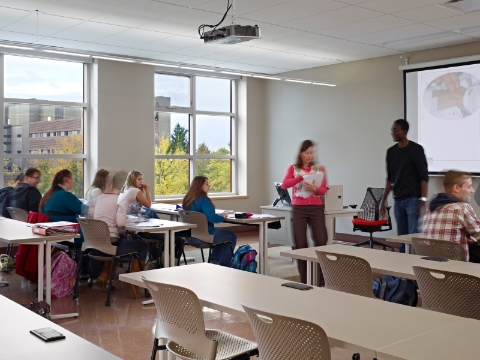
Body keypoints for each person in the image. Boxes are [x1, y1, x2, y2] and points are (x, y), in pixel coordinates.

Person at [94, 171, 147, 298]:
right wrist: (131, 219)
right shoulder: (120, 200)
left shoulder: (100, 197)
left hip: (95, 243)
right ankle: (133, 282)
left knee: (121, 238)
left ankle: (104, 275)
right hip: (110, 243)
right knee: (143, 245)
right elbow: (121, 223)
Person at [281, 140, 328, 285]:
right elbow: (284, 185)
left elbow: (324, 189)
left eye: (312, 152)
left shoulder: (319, 168)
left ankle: (320, 279)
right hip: (299, 209)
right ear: (301, 153)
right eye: (307, 153)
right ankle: (305, 280)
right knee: (301, 244)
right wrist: (300, 177)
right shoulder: (293, 168)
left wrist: (315, 189)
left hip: (316, 208)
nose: (310, 155)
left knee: (321, 240)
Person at [381, 119, 429, 253]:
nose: (392, 133)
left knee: (413, 238)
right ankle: (402, 270)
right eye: (392, 130)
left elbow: (423, 176)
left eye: (395, 130)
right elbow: (390, 178)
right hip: (398, 200)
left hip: (413, 200)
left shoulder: (416, 149)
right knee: (401, 239)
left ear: (404, 131)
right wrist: (384, 200)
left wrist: (422, 200)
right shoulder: (391, 152)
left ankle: (417, 269)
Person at [421, 170, 480, 263]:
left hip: (431, 270)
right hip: (457, 271)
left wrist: (468, 239)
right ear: (456, 188)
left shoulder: (430, 209)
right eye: (469, 187)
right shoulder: (462, 208)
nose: (473, 190)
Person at [182, 176, 237, 267]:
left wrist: (211, 208)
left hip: (191, 236)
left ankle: (214, 261)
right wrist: (222, 217)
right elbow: (211, 218)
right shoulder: (203, 199)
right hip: (205, 236)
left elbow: (200, 214)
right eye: (207, 184)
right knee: (231, 236)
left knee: (222, 235)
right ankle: (223, 265)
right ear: (199, 186)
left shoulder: (187, 199)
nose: (209, 186)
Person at [39, 169, 92, 244]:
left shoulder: (50, 194)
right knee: (94, 234)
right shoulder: (65, 195)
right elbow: (85, 210)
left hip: (52, 230)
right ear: (67, 179)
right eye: (72, 178)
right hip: (64, 231)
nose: (73, 181)